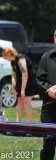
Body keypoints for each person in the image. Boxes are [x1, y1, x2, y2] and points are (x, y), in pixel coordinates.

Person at [2, 48, 38, 122]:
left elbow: (25, 74)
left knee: (26, 101)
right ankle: (18, 121)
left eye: (5, 56)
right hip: (21, 81)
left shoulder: (21, 59)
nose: (5, 59)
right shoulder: (13, 62)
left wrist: (23, 90)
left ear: (8, 54)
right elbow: (13, 75)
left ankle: (29, 122)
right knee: (20, 101)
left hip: (29, 81)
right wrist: (13, 87)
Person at [36, 30, 56, 160]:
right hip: (50, 110)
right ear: (54, 38)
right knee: (48, 146)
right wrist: (51, 89)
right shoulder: (46, 57)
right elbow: (40, 80)